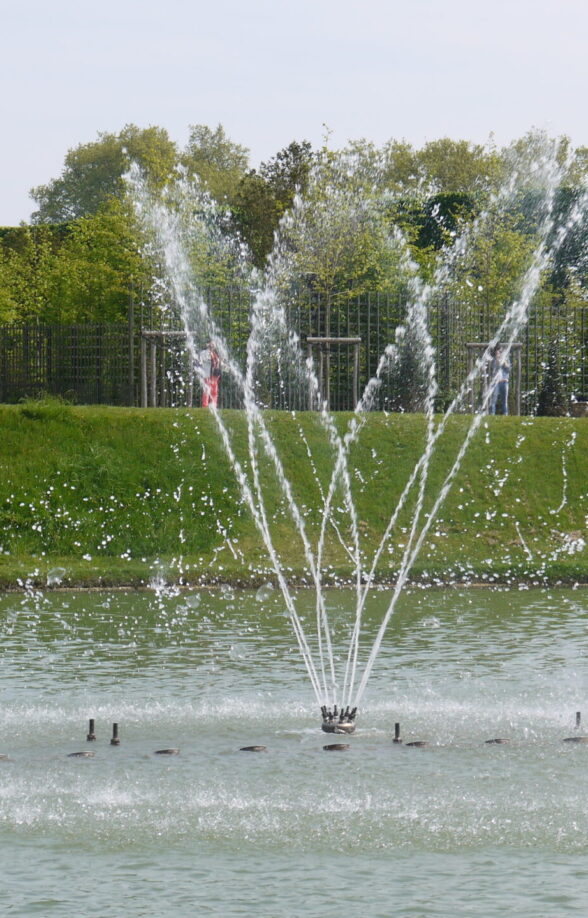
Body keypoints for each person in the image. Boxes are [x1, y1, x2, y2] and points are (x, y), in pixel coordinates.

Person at [198, 340, 221, 408]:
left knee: (214, 391)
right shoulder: (204, 353)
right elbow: (202, 361)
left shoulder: (215, 354)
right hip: (207, 374)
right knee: (207, 390)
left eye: (214, 344)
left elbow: (218, 363)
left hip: (215, 375)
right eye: (211, 344)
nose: (213, 345)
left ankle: (213, 405)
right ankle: (205, 405)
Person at [489, 344, 510, 415]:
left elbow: (508, 369)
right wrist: (497, 360)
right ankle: (492, 414)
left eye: (500, 351)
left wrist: (503, 361)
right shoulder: (493, 360)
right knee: (493, 400)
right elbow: (492, 369)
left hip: (504, 382)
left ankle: (505, 414)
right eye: (498, 351)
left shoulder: (505, 359)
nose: (499, 353)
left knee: (504, 401)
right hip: (496, 382)